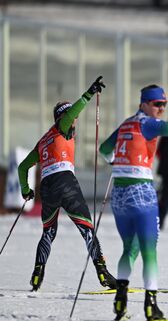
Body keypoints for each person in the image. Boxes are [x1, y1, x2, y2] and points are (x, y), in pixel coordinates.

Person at [99, 84, 168, 321]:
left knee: (129, 248)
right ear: (144, 104)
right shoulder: (148, 124)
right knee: (149, 250)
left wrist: (114, 161)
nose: (161, 109)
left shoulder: (126, 123)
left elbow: (104, 149)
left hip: (120, 194)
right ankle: (151, 305)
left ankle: (121, 300)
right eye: (157, 104)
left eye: (164, 105)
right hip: (141, 192)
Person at [17, 76, 116, 292]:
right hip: (66, 182)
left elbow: (22, 167)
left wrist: (26, 190)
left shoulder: (43, 140)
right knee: (87, 229)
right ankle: (103, 273)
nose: (75, 121)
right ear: (61, 118)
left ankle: (37, 273)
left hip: (47, 187)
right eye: (73, 117)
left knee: (48, 233)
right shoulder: (61, 126)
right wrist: (89, 93)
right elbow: (71, 113)